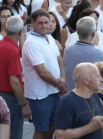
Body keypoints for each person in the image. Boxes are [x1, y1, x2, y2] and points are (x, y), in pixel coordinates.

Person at [22, 9, 66, 139]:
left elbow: (59, 60)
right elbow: (42, 72)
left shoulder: (50, 38)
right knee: (41, 129)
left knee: (53, 126)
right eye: (40, 23)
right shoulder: (31, 42)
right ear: (33, 24)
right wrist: (60, 85)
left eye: (46, 22)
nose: (44, 26)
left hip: (54, 91)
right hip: (40, 95)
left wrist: (63, 78)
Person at [55, 63, 103, 139]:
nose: (101, 80)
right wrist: (90, 127)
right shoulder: (67, 102)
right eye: (97, 76)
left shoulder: (96, 96)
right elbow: (60, 136)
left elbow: (99, 125)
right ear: (86, 80)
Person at [0, 16, 31, 139]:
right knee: (14, 133)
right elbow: (14, 82)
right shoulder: (12, 50)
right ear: (21, 31)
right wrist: (24, 104)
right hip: (9, 98)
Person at [63, 16, 103, 92]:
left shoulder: (67, 51)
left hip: (72, 95)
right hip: (91, 98)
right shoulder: (98, 53)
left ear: (77, 32)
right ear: (94, 33)